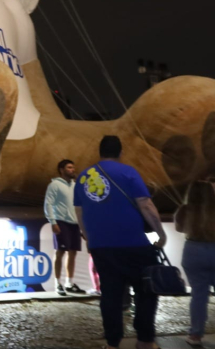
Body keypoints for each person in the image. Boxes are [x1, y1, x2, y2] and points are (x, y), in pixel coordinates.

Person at [74, 136, 166, 349]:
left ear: (100, 152)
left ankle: (113, 342)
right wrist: (160, 233)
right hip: (134, 244)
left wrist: (89, 238)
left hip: (102, 247)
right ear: (120, 152)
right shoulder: (128, 172)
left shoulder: (83, 177)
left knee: (110, 296)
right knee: (145, 292)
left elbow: (79, 212)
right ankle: (144, 341)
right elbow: (145, 205)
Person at [175, 180, 215, 347]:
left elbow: (179, 229)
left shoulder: (184, 210)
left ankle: (195, 335)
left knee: (199, 295)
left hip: (193, 251)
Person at [44, 159, 84, 295]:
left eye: (73, 167)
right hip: (61, 221)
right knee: (60, 252)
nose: (72, 170)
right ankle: (57, 283)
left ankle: (69, 283)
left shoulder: (75, 185)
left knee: (73, 252)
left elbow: (80, 205)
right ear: (61, 170)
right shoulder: (54, 185)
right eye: (69, 167)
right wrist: (53, 222)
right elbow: (48, 204)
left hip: (74, 222)